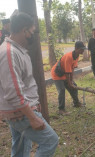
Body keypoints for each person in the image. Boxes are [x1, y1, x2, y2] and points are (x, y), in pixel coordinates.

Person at [0, 12, 58, 157]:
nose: (33, 36)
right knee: (50, 141)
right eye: (32, 32)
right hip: (20, 113)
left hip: (19, 111)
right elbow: (13, 92)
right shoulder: (9, 53)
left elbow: (23, 83)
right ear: (24, 30)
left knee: (21, 148)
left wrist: (32, 103)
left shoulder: (16, 50)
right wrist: (32, 116)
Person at [51, 41, 86, 114]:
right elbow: (67, 72)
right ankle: (61, 109)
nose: (83, 51)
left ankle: (76, 103)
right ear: (76, 48)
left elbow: (72, 69)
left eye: (83, 49)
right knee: (62, 90)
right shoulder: (69, 57)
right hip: (57, 74)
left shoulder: (77, 56)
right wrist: (69, 83)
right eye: (81, 49)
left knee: (74, 86)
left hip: (64, 74)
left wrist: (71, 81)